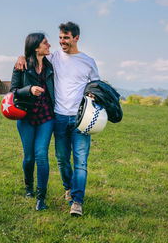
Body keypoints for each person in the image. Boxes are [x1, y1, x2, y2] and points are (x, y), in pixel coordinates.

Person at [16, 22, 100, 216]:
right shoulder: (53, 58)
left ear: (76, 38)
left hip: (81, 119)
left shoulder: (88, 61)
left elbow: (96, 85)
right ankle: (68, 188)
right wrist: (21, 57)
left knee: (80, 161)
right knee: (62, 160)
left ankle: (77, 201)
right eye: (60, 38)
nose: (61, 42)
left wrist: (94, 96)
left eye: (66, 38)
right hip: (59, 117)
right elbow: (34, 55)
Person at [10, 33, 55, 211]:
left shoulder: (51, 66)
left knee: (41, 155)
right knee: (29, 157)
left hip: (46, 116)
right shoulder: (21, 65)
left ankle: (40, 198)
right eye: (45, 43)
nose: (49, 45)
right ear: (36, 47)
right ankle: (29, 187)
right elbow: (13, 91)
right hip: (26, 117)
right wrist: (29, 89)